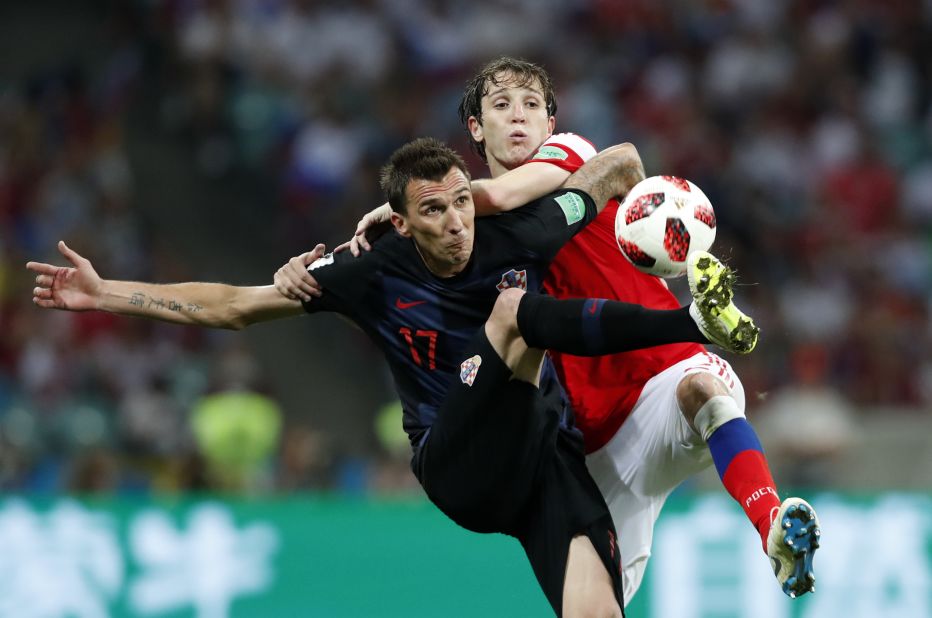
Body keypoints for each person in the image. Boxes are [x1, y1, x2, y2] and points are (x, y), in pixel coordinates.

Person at [28, 137, 755, 616]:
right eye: (433, 211)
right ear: (400, 221)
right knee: (515, 315)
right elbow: (234, 308)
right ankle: (692, 324)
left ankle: (693, 323)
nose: (455, 223)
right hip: (457, 459)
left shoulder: (519, 230)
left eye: (461, 203)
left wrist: (522, 186)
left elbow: (616, 166)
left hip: (542, 465)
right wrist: (107, 293)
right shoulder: (366, 271)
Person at [275, 57, 820, 603]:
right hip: (592, 444)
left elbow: (595, 167)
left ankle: (771, 524)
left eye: (532, 106)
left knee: (705, 392)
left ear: (551, 124)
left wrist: (401, 204)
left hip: (661, 377)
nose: (519, 119)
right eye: (502, 106)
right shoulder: (460, 238)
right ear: (475, 127)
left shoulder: (570, 161)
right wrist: (311, 270)